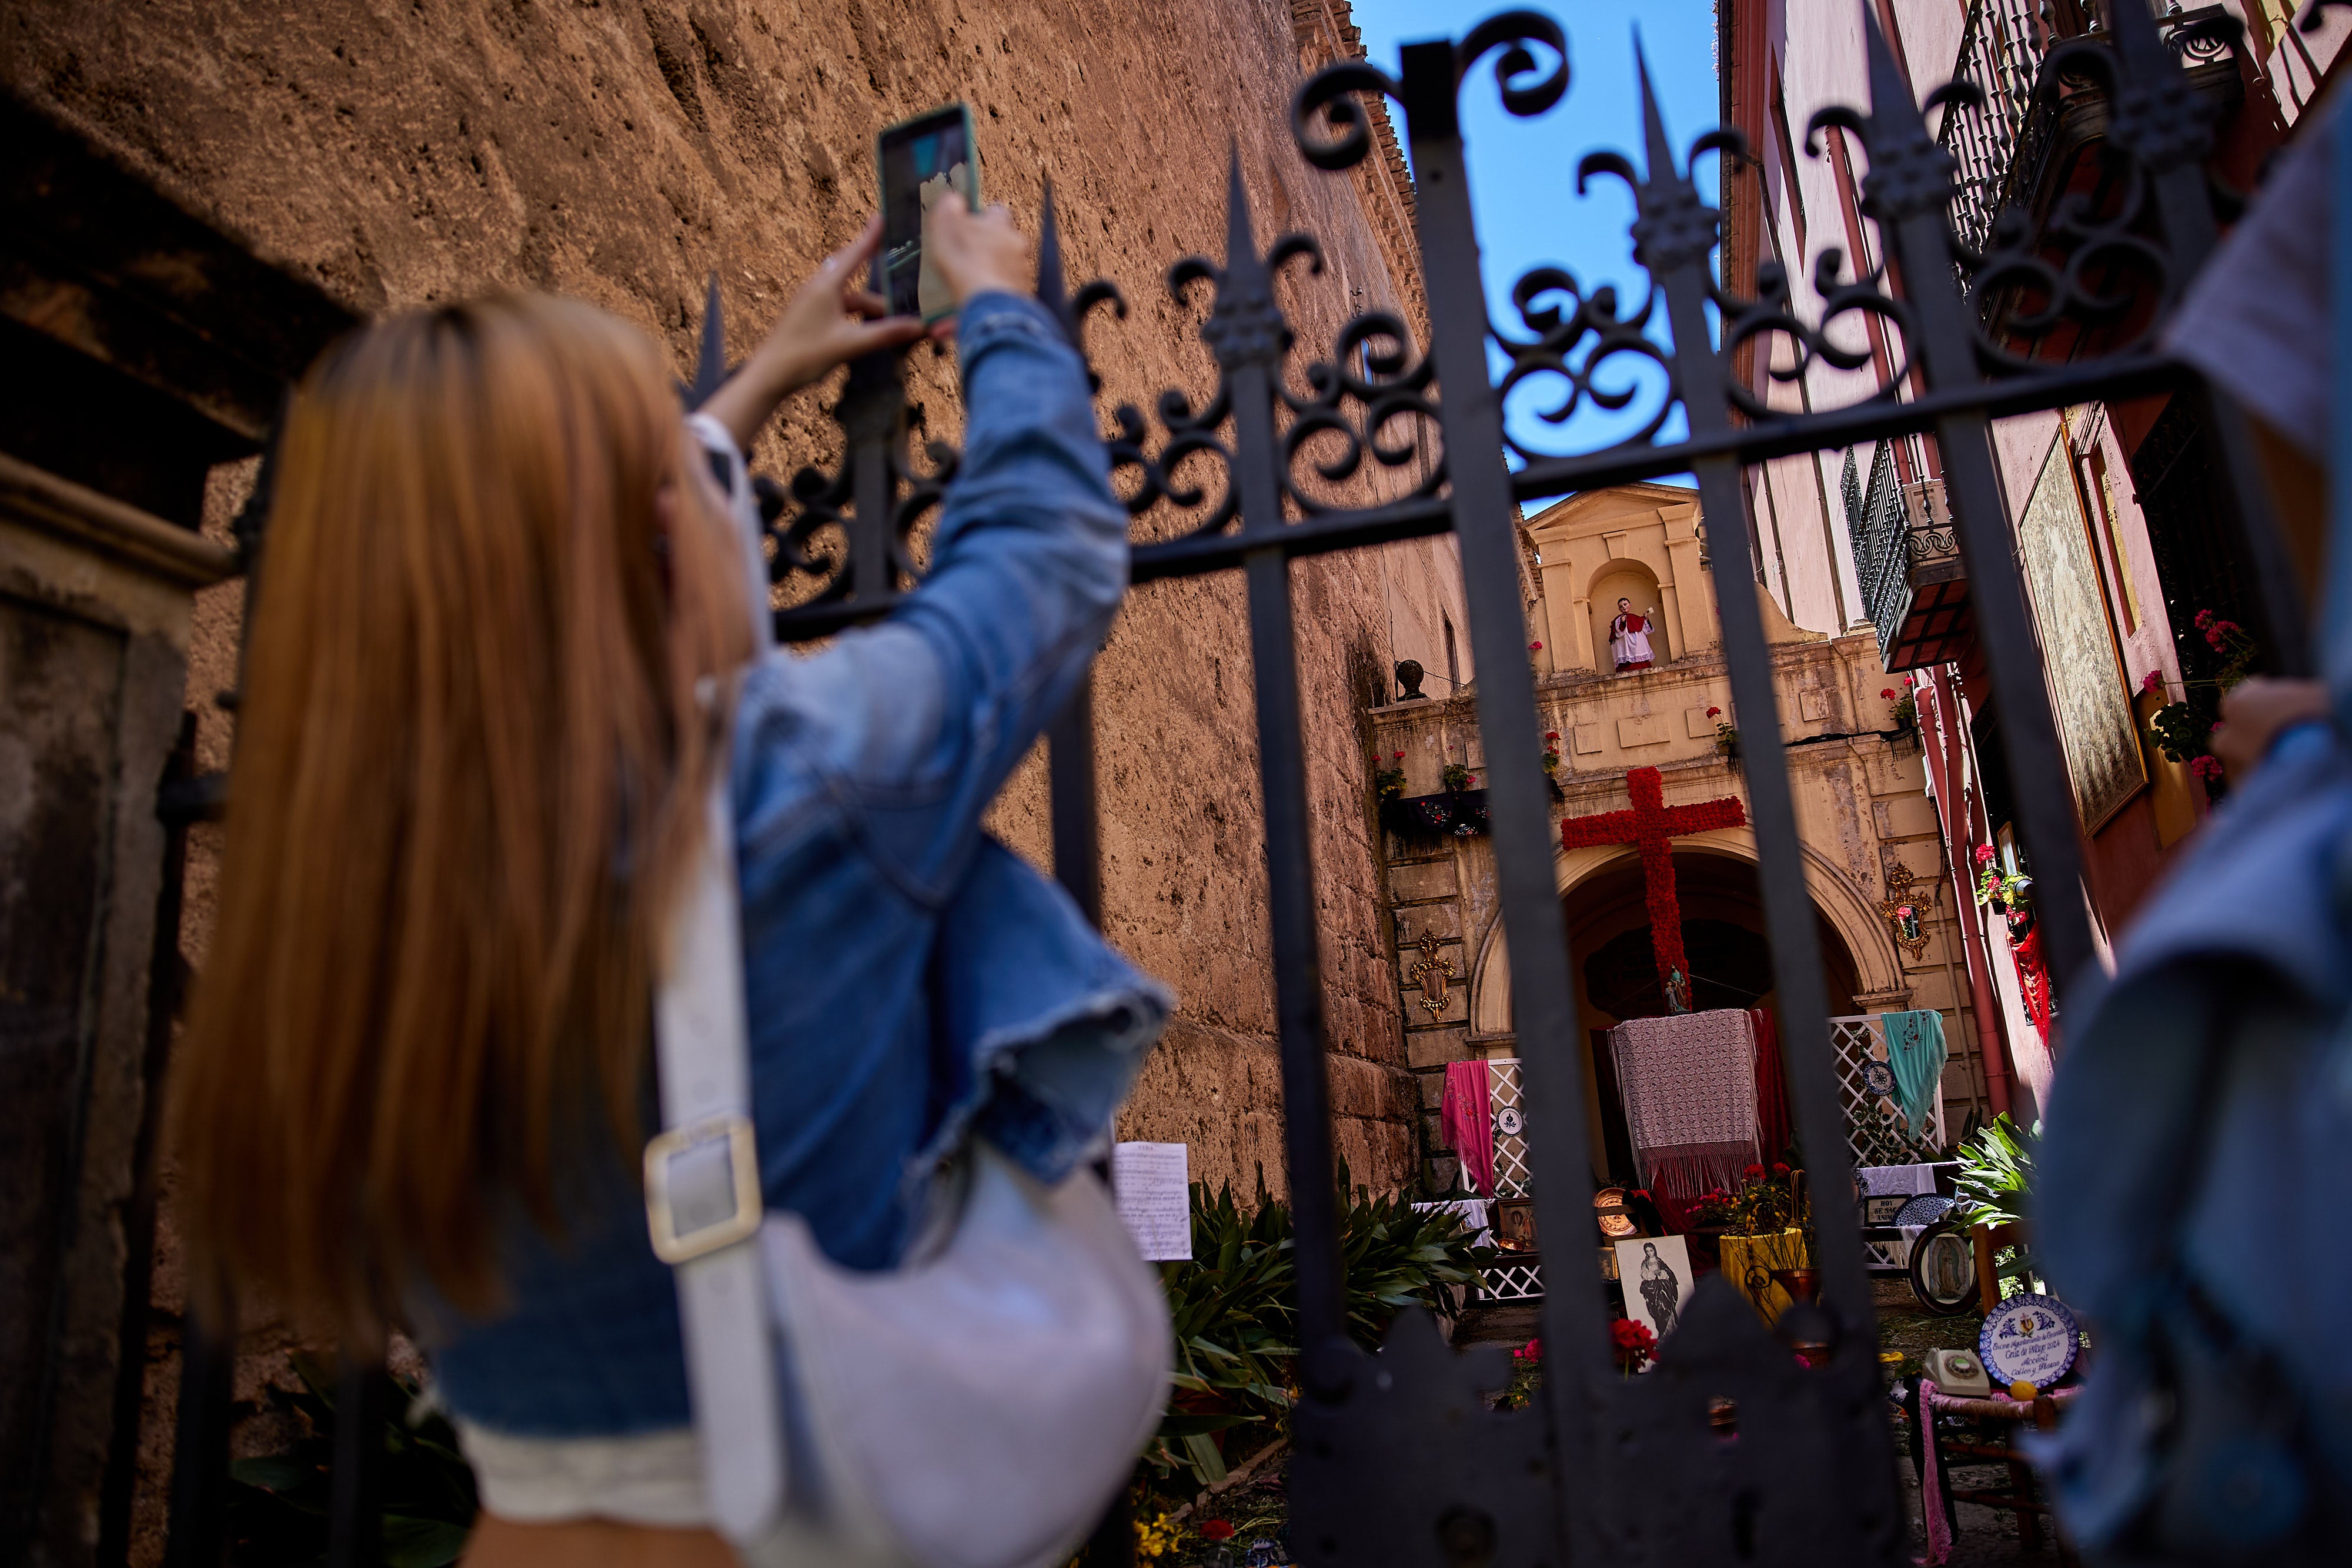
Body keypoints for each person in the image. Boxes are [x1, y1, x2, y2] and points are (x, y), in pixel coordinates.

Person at [168, 198, 1170, 1567]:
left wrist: (752, 382)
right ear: (653, 528)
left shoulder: (350, 901)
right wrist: (1000, 308)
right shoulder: (791, 785)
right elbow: (1042, 563)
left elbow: (560, 570)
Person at [1637, 1241, 1680, 1337]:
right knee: (1658, 1312)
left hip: (1664, 1289)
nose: (1649, 1253)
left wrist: (1661, 1273)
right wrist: (1652, 1274)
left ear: (1655, 1250)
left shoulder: (1660, 1262)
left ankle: (1671, 1332)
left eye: (1651, 1251)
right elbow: (1644, 1274)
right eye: (1647, 1251)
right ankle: (1663, 1335)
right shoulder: (1645, 1263)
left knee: (1667, 1308)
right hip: (1653, 1290)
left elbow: (1669, 1273)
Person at [1610, 596, 1657, 672]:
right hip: (1625, 642)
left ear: (1630, 605)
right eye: (1621, 607)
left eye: (1625, 604)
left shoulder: (1636, 618)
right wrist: (1622, 622)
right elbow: (1619, 632)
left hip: (1638, 643)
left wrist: (1646, 619)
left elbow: (1647, 631)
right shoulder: (1618, 619)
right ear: (1619, 609)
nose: (1624, 608)